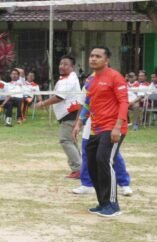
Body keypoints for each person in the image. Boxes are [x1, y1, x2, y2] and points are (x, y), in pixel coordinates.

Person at [72, 46, 129, 218]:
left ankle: (113, 205)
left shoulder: (115, 77)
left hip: (112, 127)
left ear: (106, 60)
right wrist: (79, 123)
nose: (93, 59)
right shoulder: (90, 80)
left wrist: (118, 127)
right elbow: (88, 103)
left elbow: (124, 103)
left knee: (104, 160)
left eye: (98, 56)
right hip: (96, 128)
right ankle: (103, 202)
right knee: (92, 163)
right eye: (91, 55)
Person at [34, 55, 82, 179]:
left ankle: (78, 169)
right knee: (71, 141)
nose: (62, 66)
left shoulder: (69, 80)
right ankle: (81, 168)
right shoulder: (67, 78)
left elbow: (60, 97)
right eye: (61, 64)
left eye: (66, 64)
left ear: (72, 67)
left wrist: (43, 103)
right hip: (70, 114)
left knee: (65, 140)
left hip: (70, 114)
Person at [72, 116, 132, 196]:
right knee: (87, 154)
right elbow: (86, 106)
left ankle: (124, 184)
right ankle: (87, 184)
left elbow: (123, 106)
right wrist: (78, 123)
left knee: (113, 155)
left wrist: (118, 126)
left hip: (108, 125)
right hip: (91, 126)